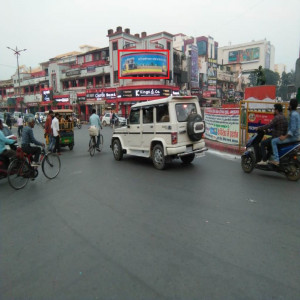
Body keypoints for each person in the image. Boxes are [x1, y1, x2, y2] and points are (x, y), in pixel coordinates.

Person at [270, 98, 300, 166]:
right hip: (296, 136)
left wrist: (284, 137)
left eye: (289, 105)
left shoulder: (293, 115)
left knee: (274, 141)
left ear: (291, 106)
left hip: (293, 137)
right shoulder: (296, 114)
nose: (288, 106)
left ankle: (276, 160)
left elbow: (293, 129)